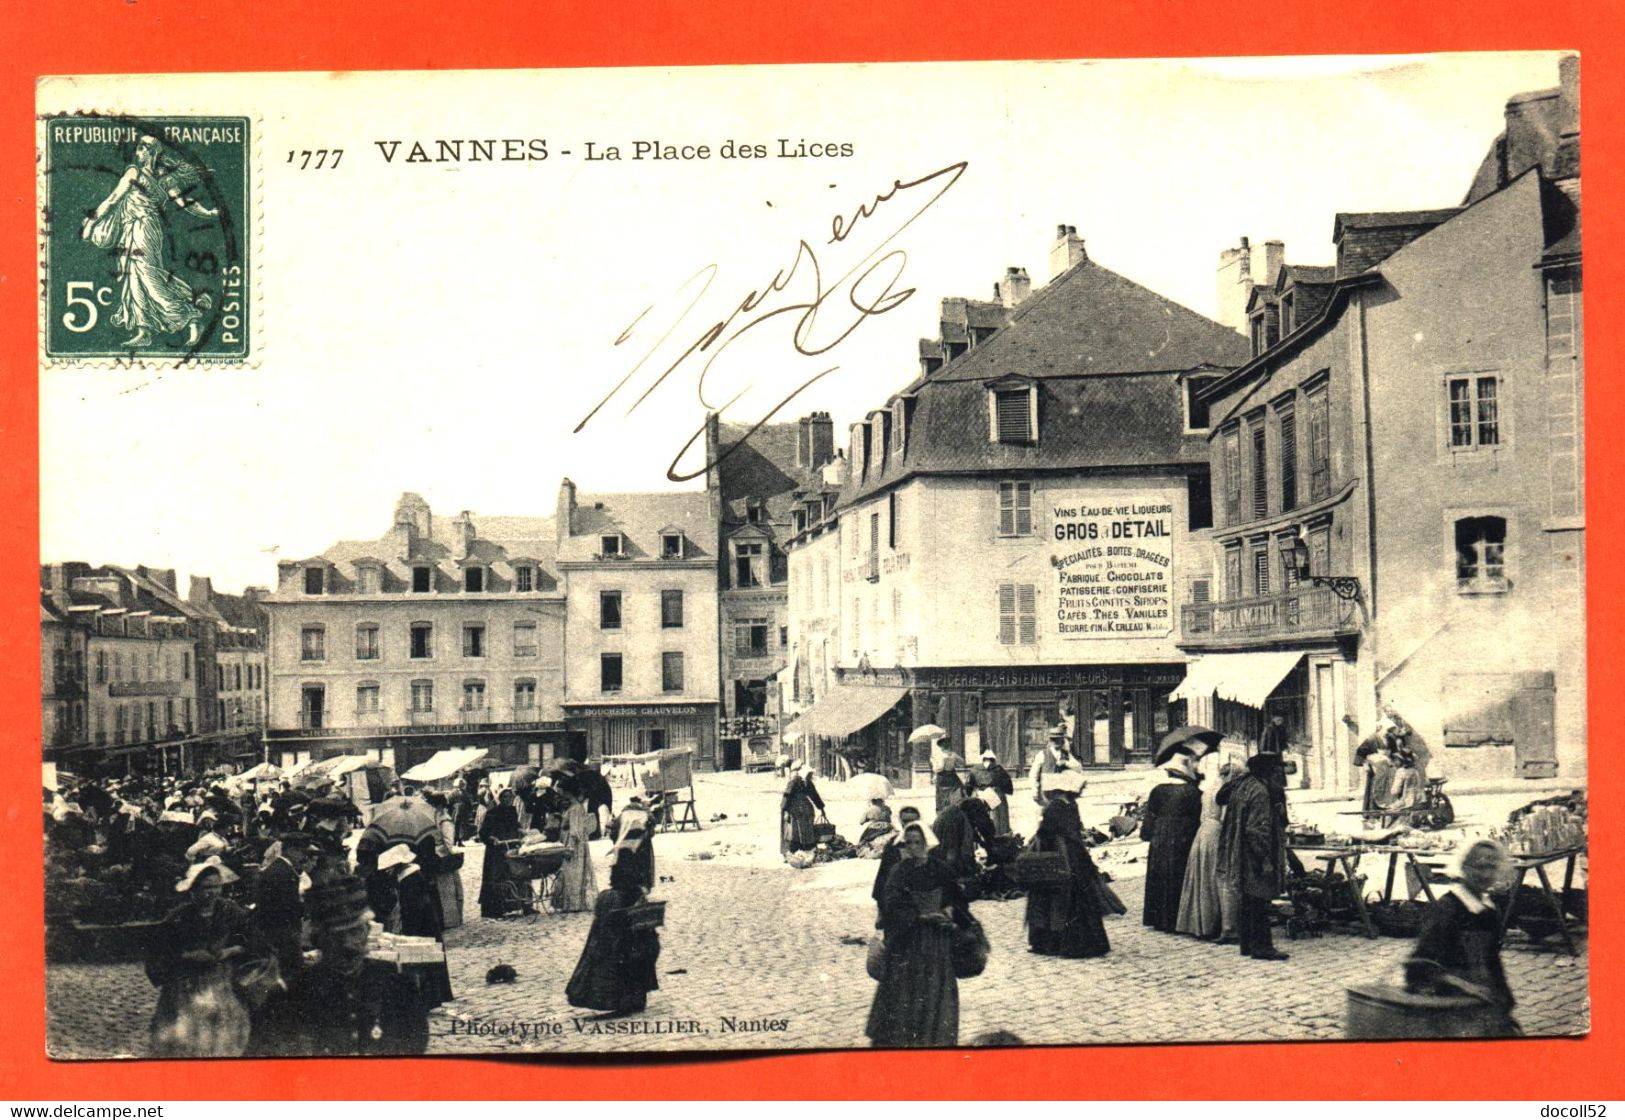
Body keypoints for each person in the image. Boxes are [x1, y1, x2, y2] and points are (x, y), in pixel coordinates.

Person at [260, 876, 429, 1056]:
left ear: (367, 932)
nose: (348, 944)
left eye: (355, 931)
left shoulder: (397, 986)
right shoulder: (296, 995)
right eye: (337, 935)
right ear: (318, 939)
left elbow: (413, 1047)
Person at [80, 135, 217, 349]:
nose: (138, 153)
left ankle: (191, 317)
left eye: (142, 149)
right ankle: (144, 331)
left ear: (151, 151)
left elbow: (184, 202)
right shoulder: (138, 172)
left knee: (148, 276)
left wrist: (207, 212)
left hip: (145, 229)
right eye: (138, 149)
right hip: (131, 228)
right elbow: (114, 198)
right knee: (136, 278)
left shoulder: (159, 177)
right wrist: (91, 222)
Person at [145, 858, 266, 1057]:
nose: (211, 893)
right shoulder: (178, 918)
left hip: (222, 982)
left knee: (223, 1034)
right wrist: (188, 956)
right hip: (186, 985)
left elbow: (253, 942)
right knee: (188, 1036)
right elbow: (160, 953)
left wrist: (229, 951)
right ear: (192, 890)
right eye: (205, 888)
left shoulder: (232, 912)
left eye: (216, 887)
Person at [864, 822, 968, 1047]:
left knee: (935, 993)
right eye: (908, 843)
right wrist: (918, 918)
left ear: (927, 843)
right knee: (904, 994)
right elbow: (891, 905)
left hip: (937, 945)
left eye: (917, 842)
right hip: (908, 944)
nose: (912, 847)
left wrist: (949, 911)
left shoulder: (941, 870)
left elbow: (958, 900)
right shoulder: (899, 872)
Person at [1406, 838, 1519, 1036]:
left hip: (1483, 1001)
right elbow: (1418, 965)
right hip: (1446, 1003)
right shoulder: (1447, 909)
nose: (1485, 874)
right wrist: (1464, 985)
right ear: (1464, 867)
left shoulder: (1490, 911)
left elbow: (1492, 960)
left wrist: (1503, 1000)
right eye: (1479, 867)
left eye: (1491, 867)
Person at [565, 820, 662, 1015]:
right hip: (626, 901)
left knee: (624, 951)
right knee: (631, 951)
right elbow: (630, 878)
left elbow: (625, 877)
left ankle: (626, 998)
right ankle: (632, 997)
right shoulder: (633, 846)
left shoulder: (627, 845)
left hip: (624, 901)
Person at [1024, 772, 1111, 958]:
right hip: (1075, 855)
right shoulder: (1071, 806)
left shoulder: (1052, 807)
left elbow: (1044, 834)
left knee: (1051, 900)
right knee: (1077, 898)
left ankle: (1050, 942)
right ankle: (1085, 941)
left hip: (1056, 854)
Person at [1141, 727, 1218, 933]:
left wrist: (1149, 835)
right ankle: (1178, 918)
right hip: (1183, 839)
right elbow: (1199, 818)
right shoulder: (1192, 792)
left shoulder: (1157, 790)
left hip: (1160, 840)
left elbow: (1149, 821)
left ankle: (1159, 919)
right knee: (1179, 877)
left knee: (1160, 876)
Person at [1218, 752, 1290, 961]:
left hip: (1240, 850)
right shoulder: (1260, 791)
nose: (1280, 773)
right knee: (1259, 899)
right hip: (1254, 853)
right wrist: (1265, 859)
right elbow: (1257, 830)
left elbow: (1221, 797)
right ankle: (1262, 947)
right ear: (1269, 771)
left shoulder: (1244, 785)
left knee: (1247, 898)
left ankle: (1247, 944)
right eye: (1277, 769)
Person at [378, 844, 454, 1008]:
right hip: (425, 923)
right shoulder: (411, 876)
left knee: (424, 958)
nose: (386, 871)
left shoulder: (409, 880)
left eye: (388, 868)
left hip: (421, 925)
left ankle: (430, 997)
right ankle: (433, 996)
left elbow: (412, 908)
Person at [1175, 754, 1234, 940]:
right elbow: (1224, 819)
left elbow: (1202, 816)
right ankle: (1215, 924)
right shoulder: (1224, 793)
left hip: (1203, 832)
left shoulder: (1208, 790)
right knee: (1216, 878)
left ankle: (1198, 922)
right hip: (1216, 832)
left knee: (1200, 877)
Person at [254, 832, 314, 976]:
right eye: (302, 852)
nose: (304, 857)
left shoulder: (281, 868)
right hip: (282, 930)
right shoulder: (282, 872)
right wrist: (305, 909)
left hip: (278, 929)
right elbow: (285, 905)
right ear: (291, 850)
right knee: (290, 972)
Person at [552, 776, 599, 913]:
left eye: (562, 793)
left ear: (568, 792)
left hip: (574, 845)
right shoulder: (570, 807)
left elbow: (575, 831)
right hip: (568, 841)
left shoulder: (576, 809)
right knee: (569, 873)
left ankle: (575, 904)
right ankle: (570, 903)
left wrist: (570, 848)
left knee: (574, 873)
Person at [477, 787, 522, 918]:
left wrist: (521, 831)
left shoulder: (513, 811)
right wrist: (492, 839)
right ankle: (493, 910)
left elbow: (515, 826)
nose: (508, 800)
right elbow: (483, 832)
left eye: (510, 797)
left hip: (510, 846)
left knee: (514, 874)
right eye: (505, 797)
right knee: (495, 878)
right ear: (500, 799)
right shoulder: (492, 812)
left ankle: (517, 905)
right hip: (495, 851)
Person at [931, 795, 996, 886]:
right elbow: (984, 827)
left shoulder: (964, 804)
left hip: (943, 822)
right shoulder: (977, 805)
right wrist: (990, 843)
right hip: (952, 824)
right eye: (988, 810)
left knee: (945, 853)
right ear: (987, 805)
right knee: (952, 854)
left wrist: (982, 842)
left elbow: (975, 828)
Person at [872, 806, 923, 910]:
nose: (909, 824)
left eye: (913, 821)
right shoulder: (893, 846)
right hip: (900, 903)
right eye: (906, 821)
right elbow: (883, 877)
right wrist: (881, 911)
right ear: (900, 822)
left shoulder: (929, 843)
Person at [1028, 724, 1081, 805]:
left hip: (1063, 793)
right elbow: (1033, 774)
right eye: (1053, 739)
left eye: (1058, 739)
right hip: (1047, 793)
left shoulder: (1066, 754)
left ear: (1062, 740)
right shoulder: (1042, 754)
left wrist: (1066, 763)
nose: (1056, 742)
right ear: (1050, 740)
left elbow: (1079, 768)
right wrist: (1034, 791)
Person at [780, 763, 825, 856]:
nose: (810, 776)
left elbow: (787, 797)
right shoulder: (804, 782)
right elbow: (814, 796)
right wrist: (821, 807)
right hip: (803, 809)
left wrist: (784, 809)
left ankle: (796, 850)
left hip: (796, 809)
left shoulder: (795, 781)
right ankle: (802, 849)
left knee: (794, 831)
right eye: (809, 774)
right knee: (800, 830)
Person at [967, 750, 1014, 835]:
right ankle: (1000, 833)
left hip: (979, 794)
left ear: (983, 759)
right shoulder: (999, 769)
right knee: (999, 816)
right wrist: (1006, 790)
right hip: (995, 793)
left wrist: (970, 794)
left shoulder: (974, 769)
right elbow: (1007, 783)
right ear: (993, 759)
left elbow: (969, 784)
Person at [1386, 748, 1426, 827]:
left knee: (1389, 809)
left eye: (1397, 760)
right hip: (1419, 799)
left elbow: (1395, 791)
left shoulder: (1401, 772)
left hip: (1407, 800)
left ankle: (1389, 826)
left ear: (1401, 760)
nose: (1395, 762)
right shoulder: (1415, 770)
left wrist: (1391, 790)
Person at [1358, 735, 1394, 817]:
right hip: (1375, 774)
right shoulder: (1372, 740)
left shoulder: (1391, 739)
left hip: (1386, 774)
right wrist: (1365, 764)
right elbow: (1362, 754)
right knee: (1373, 792)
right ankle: (1372, 814)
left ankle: (1384, 813)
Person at [931, 738, 965, 814]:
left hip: (943, 778)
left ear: (942, 747)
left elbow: (939, 768)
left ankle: (944, 812)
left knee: (942, 796)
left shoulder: (941, 756)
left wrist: (933, 763)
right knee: (953, 793)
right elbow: (962, 762)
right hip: (952, 776)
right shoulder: (953, 754)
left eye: (942, 746)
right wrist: (954, 763)